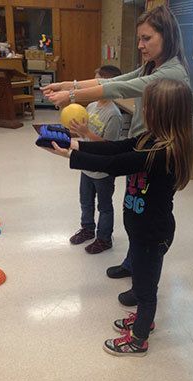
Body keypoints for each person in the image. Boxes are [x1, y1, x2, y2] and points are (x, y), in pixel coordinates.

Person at [42, 5, 189, 307]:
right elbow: (110, 82)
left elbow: (117, 87)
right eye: (139, 39)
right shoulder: (152, 65)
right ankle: (133, 263)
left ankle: (143, 278)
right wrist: (68, 85)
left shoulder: (170, 73)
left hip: (153, 153)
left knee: (147, 217)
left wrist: (70, 98)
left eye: (147, 38)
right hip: (140, 143)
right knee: (134, 210)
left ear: (167, 36)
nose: (140, 45)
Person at [42, 78, 193, 356]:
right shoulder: (149, 138)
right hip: (140, 228)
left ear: (163, 112)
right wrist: (77, 144)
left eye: (148, 106)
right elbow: (116, 148)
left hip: (152, 232)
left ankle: (138, 340)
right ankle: (142, 323)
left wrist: (69, 156)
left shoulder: (162, 152)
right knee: (141, 279)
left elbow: (114, 164)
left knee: (146, 291)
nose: (143, 111)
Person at [68, 65, 123, 254]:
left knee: (104, 206)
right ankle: (88, 229)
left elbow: (110, 146)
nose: (93, 88)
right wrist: (75, 131)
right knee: (85, 201)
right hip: (86, 164)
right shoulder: (91, 106)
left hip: (103, 170)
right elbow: (84, 136)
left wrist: (86, 132)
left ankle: (104, 238)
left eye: (98, 82)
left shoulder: (114, 115)